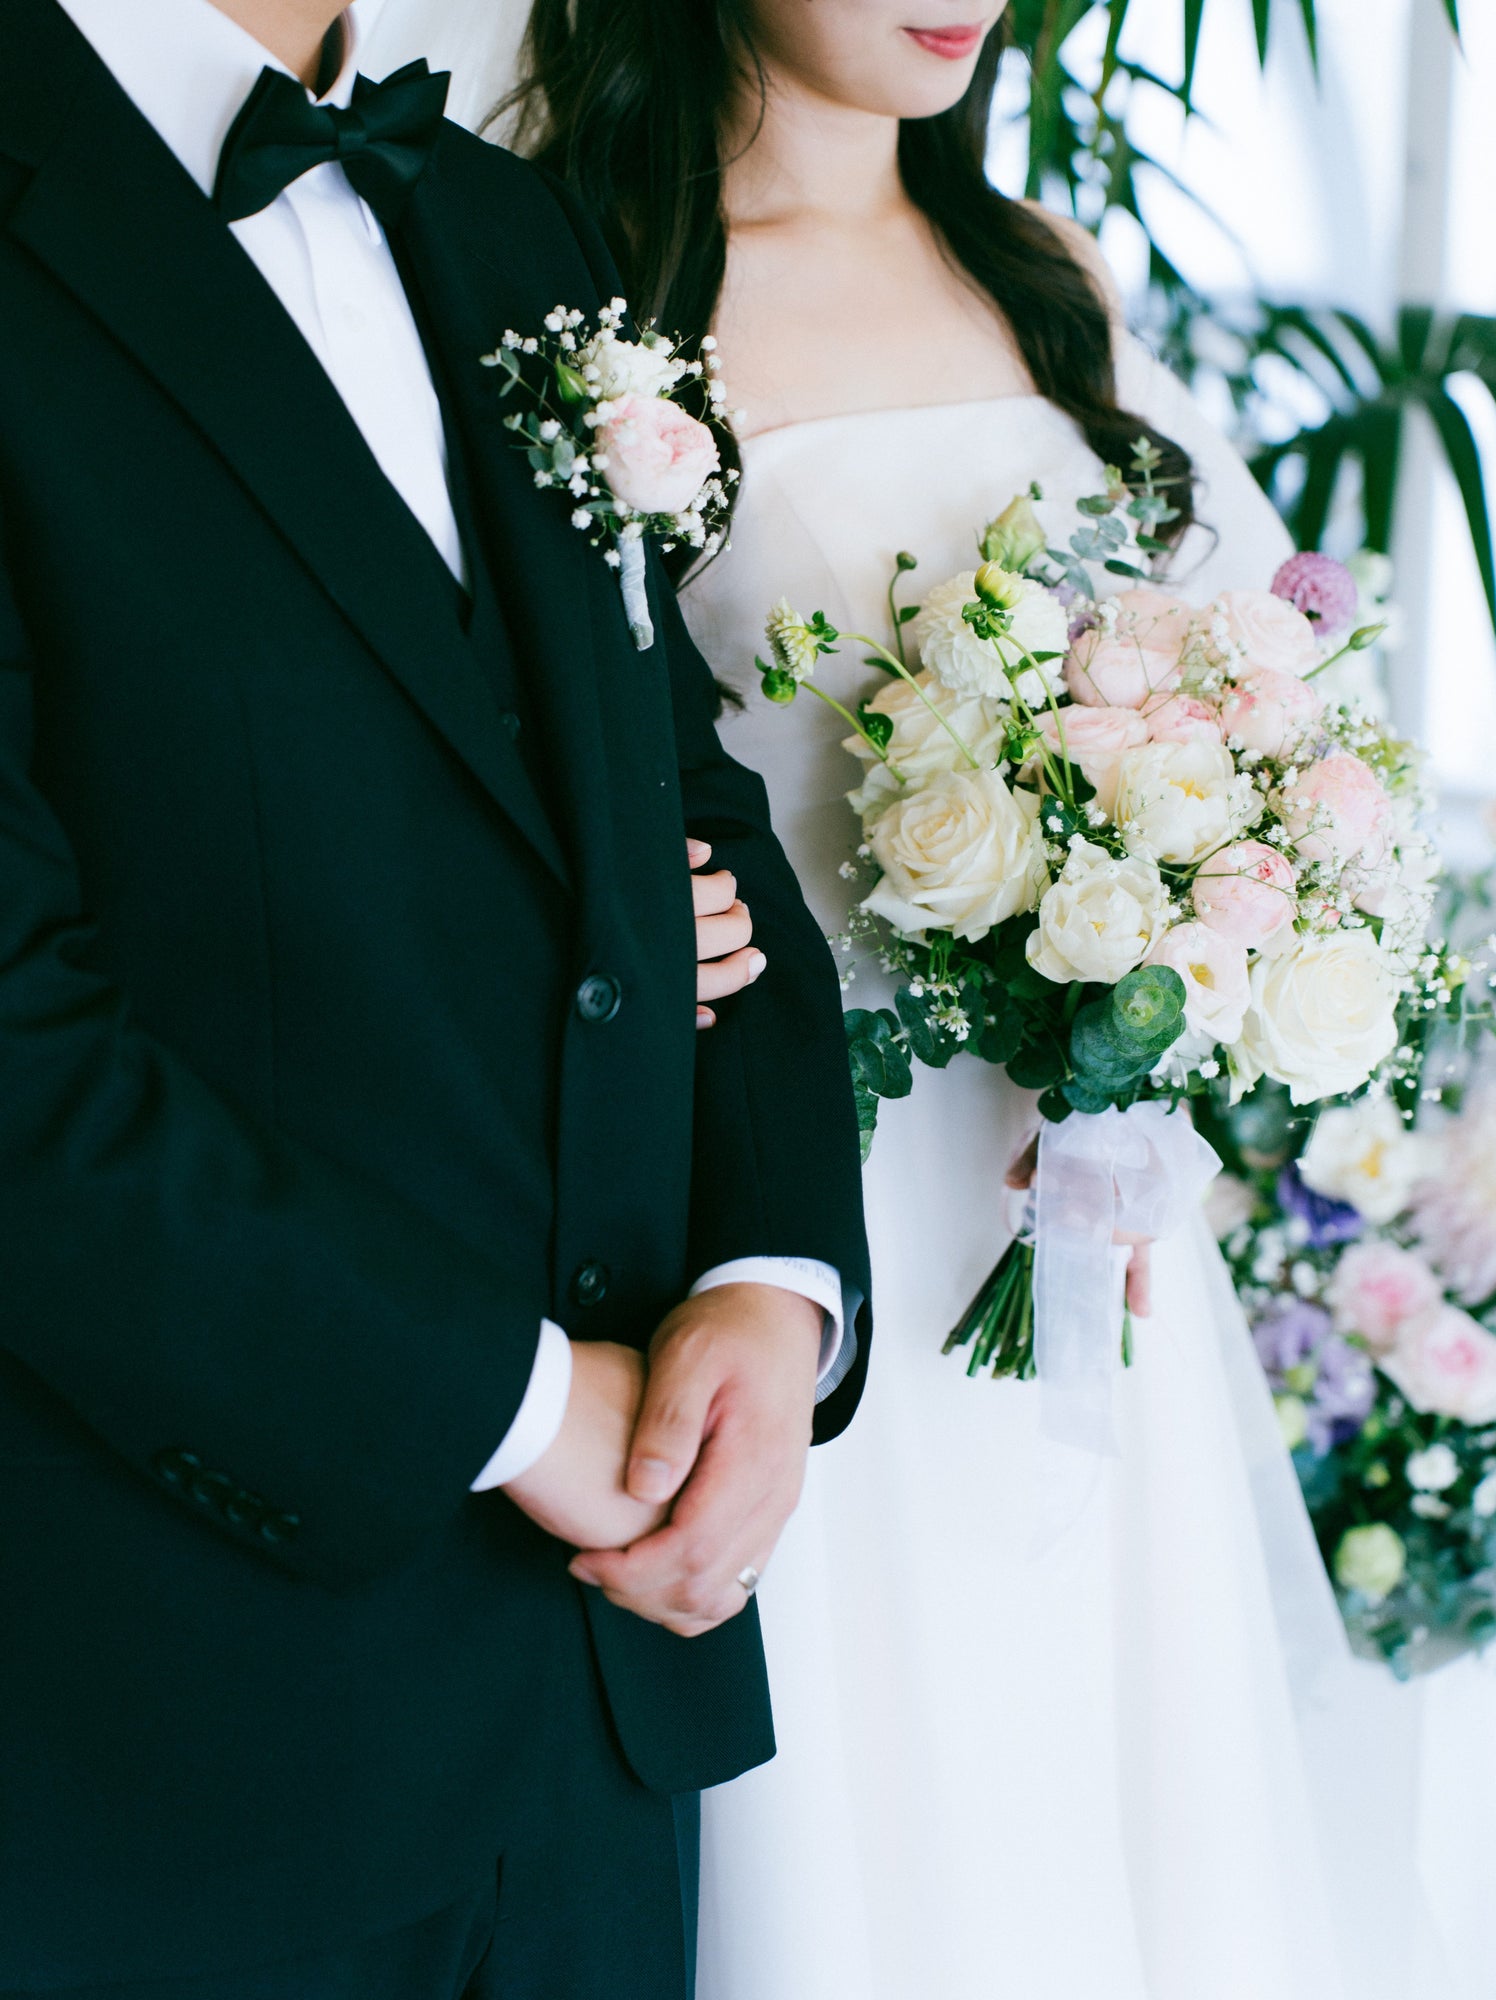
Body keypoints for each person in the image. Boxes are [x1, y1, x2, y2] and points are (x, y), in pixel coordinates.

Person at [505, 5, 1376, 1996]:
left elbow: (1247, 681)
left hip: (1083, 1189)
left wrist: (1188, 996)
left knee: (1116, 1786)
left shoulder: (1045, 273)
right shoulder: (585, 291)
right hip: (797, 1212)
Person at [0, 1, 870, 1993]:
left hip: (589, 1720)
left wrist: (773, 1267)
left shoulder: (506, 227)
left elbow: (689, 802)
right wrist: (516, 1400)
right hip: (158, 1736)